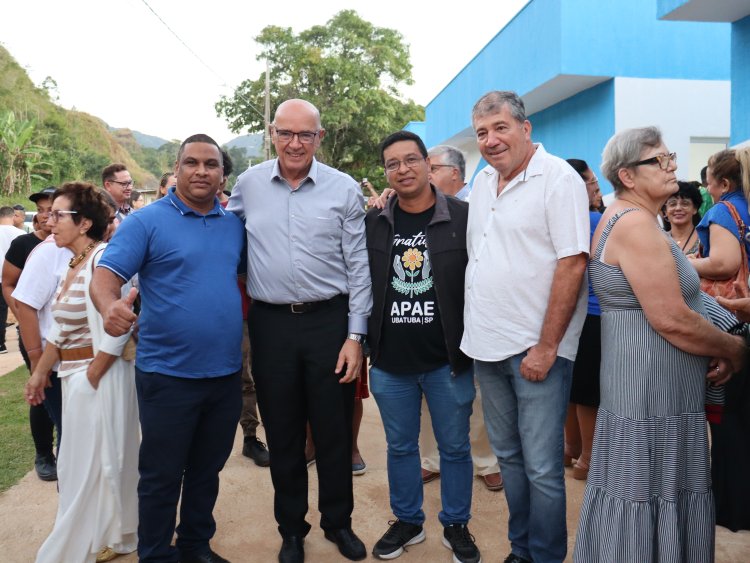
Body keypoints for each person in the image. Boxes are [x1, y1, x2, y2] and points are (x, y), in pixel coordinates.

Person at [574, 127, 746, 561]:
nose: (672, 166)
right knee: (649, 489)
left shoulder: (634, 218)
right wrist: (734, 348)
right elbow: (671, 319)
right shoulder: (635, 225)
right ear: (628, 175)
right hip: (652, 393)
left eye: (669, 157)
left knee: (641, 487)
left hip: (649, 387)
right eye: (660, 160)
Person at [227, 98, 371, 563]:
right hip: (270, 326)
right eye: (286, 133)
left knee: (332, 433)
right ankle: (291, 529)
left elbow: (359, 267)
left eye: (305, 135)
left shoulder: (343, 188)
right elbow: (225, 245)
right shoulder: (247, 186)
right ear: (272, 133)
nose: (295, 143)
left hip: (330, 322)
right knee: (284, 434)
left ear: (319, 138)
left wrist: (355, 336)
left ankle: (338, 523)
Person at [91, 134, 245, 563]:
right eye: (191, 163)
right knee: (160, 475)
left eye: (210, 164)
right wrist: (108, 307)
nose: (201, 171)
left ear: (221, 173)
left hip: (225, 373)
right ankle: (155, 554)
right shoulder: (146, 221)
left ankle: (196, 545)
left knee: (206, 470)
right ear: (176, 169)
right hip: (167, 375)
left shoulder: (233, 224)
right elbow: (105, 276)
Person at [461, 91, 589, 563]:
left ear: (525, 127)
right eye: (482, 133)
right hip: (486, 345)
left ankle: (547, 556)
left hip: (536, 352)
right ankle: (522, 550)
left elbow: (573, 264)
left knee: (541, 468)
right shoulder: (481, 182)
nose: (491, 140)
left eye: (500, 128)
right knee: (510, 460)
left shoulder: (556, 178)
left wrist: (547, 346)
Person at [365, 130, 479, 563]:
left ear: (428, 164)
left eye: (410, 160)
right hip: (391, 362)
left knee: (454, 448)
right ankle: (408, 520)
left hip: (447, 360)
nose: (402, 169)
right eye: (392, 163)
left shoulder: (465, 217)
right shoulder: (373, 220)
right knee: (400, 447)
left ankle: (456, 523)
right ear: (387, 172)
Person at [24, 182, 138, 563]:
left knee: (101, 460)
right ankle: (105, 532)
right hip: (75, 376)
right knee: (78, 464)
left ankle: (105, 536)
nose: (48, 220)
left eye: (59, 214)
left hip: (98, 376)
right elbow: (58, 328)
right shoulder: (73, 264)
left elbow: (119, 325)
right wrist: (40, 372)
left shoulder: (103, 261)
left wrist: (94, 374)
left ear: (84, 222)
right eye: (49, 213)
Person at [419, 144, 502, 492]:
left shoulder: (480, 204)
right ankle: (431, 458)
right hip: (432, 310)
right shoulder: (421, 206)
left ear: (455, 173)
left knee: (477, 389)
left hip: (475, 310)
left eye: (432, 168)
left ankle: (485, 461)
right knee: (428, 384)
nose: (426, 175)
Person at [698, 147, 750, 533]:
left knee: (729, 419)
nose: (706, 185)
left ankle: (732, 507)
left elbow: (724, 264)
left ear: (724, 183)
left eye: (709, 178)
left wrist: (677, 261)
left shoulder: (722, 212)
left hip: (735, 318)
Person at [3, 187, 58, 480]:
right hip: (34, 333)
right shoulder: (24, 245)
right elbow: (8, 283)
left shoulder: (72, 244)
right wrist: (25, 313)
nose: (48, 214)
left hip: (65, 336)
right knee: (43, 388)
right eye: (43, 209)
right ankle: (43, 454)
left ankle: (68, 450)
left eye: (54, 208)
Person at [562, 159, 603, 482]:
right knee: (588, 390)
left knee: (572, 387)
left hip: (566, 313)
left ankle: (570, 447)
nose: (595, 186)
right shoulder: (594, 220)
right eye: (590, 181)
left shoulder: (566, 218)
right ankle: (587, 458)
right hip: (594, 312)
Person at [0, 206, 26, 353]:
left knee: (1, 310)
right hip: (17, 277)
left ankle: (0, 343)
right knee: (21, 307)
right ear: (12, 216)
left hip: (2, 277)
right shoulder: (20, 234)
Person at [663, 181, 702, 256]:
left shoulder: (705, 239)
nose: (678, 208)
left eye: (685, 203)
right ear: (665, 211)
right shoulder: (658, 240)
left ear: (695, 209)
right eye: (672, 204)